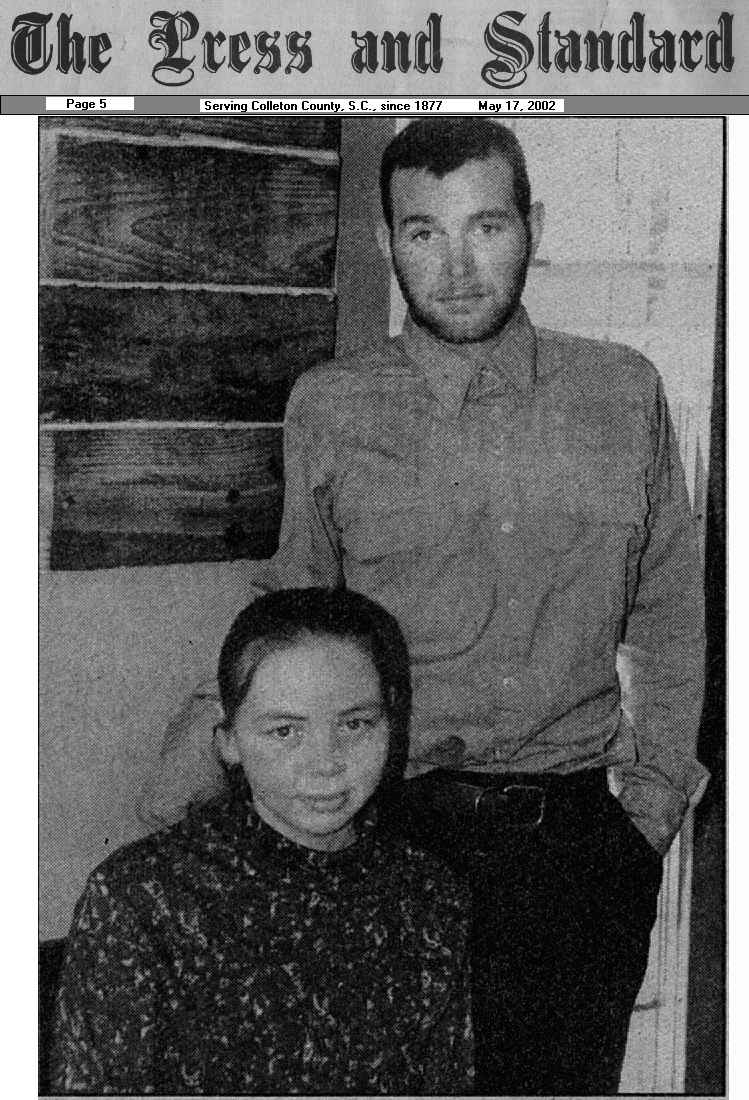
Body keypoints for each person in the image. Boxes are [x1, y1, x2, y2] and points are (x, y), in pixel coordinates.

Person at [144, 119, 708, 1095]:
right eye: (422, 232)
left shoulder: (621, 393)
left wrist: (647, 813)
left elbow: (670, 609)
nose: (455, 267)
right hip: (387, 838)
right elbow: (288, 621)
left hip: (575, 856)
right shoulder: (331, 406)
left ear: (532, 227)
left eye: (485, 227)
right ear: (385, 242)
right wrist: (186, 789)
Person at [52, 588, 473, 1096]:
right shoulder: (141, 900)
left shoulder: (428, 894)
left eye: (355, 723)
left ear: (392, 725)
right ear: (229, 740)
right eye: (285, 731)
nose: (326, 762)